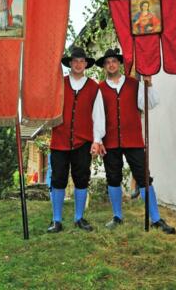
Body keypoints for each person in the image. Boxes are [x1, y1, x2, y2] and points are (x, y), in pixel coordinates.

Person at [92, 48, 176, 234]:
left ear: (119, 64)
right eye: (108, 62)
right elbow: (98, 116)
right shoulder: (100, 88)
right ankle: (117, 216)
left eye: (114, 61)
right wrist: (98, 139)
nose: (111, 65)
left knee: (144, 177)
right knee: (113, 178)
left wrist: (149, 85)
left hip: (134, 139)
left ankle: (156, 218)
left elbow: (150, 104)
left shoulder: (133, 84)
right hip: (110, 140)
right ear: (104, 66)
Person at [47, 47, 105, 233]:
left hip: (83, 142)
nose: (78, 64)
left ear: (86, 64)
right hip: (60, 140)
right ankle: (56, 220)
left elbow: (98, 116)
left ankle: (79, 217)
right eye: (75, 61)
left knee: (81, 178)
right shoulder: (59, 84)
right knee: (58, 179)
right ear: (70, 63)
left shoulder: (94, 87)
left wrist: (97, 140)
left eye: (82, 61)